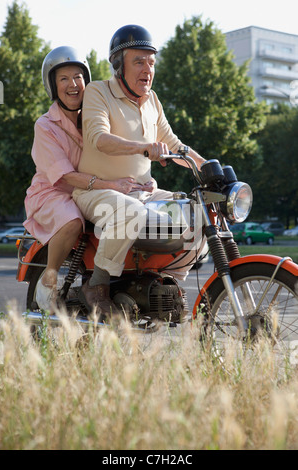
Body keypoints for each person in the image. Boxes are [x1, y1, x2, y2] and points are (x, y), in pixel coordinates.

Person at [72, 25, 205, 321]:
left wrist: (209, 168)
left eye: (152, 62)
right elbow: (98, 138)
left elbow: (174, 145)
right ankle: (97, 286)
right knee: (131, 211)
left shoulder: (152, 101)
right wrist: (143, 147)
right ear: (119, 65)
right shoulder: (98, 92)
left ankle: (167, 285)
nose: (148, 69)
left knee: (197, 213)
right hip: (97, 191)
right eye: (139, 61)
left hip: (143, 192)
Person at [24, 45, 154, 311]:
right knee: (72, 221)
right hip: (54, 192)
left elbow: (117, 156)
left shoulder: (94, 118)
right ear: (52, 85)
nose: (73, 85)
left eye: (78, 77)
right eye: (63, 78)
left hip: (92, 191)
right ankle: (49, 278)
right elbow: (67, 176)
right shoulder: (46, 125)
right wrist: (110, 184)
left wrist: (140, 179)